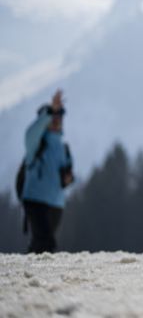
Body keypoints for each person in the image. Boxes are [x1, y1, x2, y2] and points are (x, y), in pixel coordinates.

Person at [20, 89, 74, 253]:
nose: (57, 120)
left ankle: (27, 275)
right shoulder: (35, 144)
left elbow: (69, 174)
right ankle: (36, 277)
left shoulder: (64, 148)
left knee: (40, 245)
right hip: (35, 200)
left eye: (59, 117)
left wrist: (68, 179)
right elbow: (31, 133)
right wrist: (50, 110)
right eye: (53, 118)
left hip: (56, 203)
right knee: (47, 242)